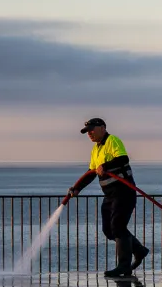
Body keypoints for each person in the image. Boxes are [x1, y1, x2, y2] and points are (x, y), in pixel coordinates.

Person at [61, 118, 149, 278]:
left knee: (118, 227)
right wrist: (77, 188)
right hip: (110, 195)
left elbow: (123, 159)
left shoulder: (113, 140)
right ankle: (139, 250)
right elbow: (91, 173)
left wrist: (106, 166)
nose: (89, 134)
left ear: (102, 128)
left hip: (124, 192)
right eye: (87, 132)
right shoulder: (96, 150)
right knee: (108, 230)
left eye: (92, 130)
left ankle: (123, 266)